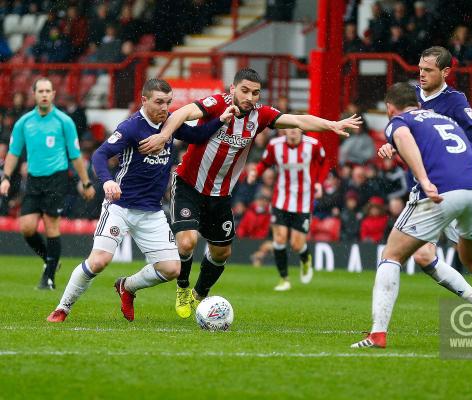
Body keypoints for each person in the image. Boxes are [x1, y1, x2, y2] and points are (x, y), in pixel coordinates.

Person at [138, 68, 361, 319]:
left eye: (255, 93)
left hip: (220, 193)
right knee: (187, 241)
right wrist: (164, 135)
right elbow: (184, 112)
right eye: (244, 90)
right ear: (233, 89)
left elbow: (298, 120)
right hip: (189, 183)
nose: (250, 97)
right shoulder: (216, 103)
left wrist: (331, 124)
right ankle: (182, 288)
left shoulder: (261, 115)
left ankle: (199, 295)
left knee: (222, 253)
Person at [351, 82, 472, 352]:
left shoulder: (399, 121)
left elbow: (402, 138)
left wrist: (424, 180)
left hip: (441, 192)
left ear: (390, 107)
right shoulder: (447, 121)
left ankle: (378, 334)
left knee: (391, 255)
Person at [45, 78, 237, 323]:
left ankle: (127, 286)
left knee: (171, 269)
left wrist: (219, 121)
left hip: (151, 212)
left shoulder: (170, 123)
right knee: (99, 261)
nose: (164, 108)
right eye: (158, 102)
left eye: (168, 102)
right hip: (121, 207)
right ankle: (63, 308)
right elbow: (100, 155)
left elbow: (196, 136)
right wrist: (107, 181)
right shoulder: (131, 128)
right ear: (144, 100)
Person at [379, 46, 472, 320]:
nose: (421, 75)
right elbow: (406, 141)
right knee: (424, 256)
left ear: (446, 72)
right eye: (419, 69)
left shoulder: (455, 102)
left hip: (450, 185)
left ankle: (379, 330)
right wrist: (393, 149)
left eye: (428, 70)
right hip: (427, 188)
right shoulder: (410, 97)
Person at [0, 78, 96, 290]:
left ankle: (49, 278)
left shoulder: (64, 121)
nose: (44, 94)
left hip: (57, 179)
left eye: (48, 91)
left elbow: (75, 155)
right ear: (34, 94)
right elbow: (13, 153)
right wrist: (5, 177)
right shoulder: (24, 122)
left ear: (53, 94)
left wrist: (86, 182)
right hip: (34, 180)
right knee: (26, 227)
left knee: (51, 225)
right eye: (40, 91)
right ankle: (50, 260)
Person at [247, 127, 328, 291]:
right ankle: (284, 278)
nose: (292, 131)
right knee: (280, 238)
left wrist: (319, 182)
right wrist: (255, 173)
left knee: (297, 245)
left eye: (296, 129)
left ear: (301, 131)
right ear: (284, 130)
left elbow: (324, 163)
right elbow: (265, 162)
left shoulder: (313, 145)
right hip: (280, 200)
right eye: (289, 128)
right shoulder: (275, 145)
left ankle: (305, 258)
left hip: (303, 200)